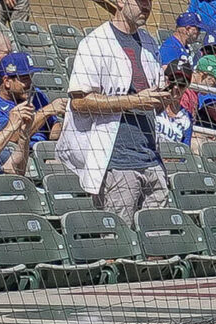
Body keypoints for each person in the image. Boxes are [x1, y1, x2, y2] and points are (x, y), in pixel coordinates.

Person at [68, 0, 179, 215]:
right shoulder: (95, 43)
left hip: (151, 159)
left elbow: (149, 103)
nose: (146, 6)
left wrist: (163, 99)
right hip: (117, 162)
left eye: (149, 2)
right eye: (141, 1)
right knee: (120, 240)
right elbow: (79, 102)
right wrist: (136, 101)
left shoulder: (149, 42)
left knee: (159, 239)